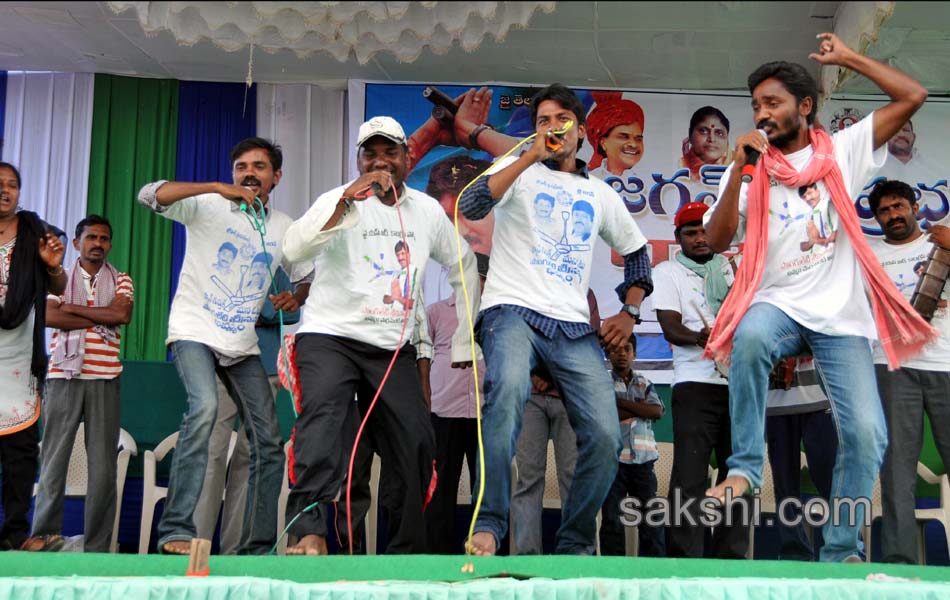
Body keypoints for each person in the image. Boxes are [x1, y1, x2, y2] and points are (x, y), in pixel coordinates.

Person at [702, 33, 934, 563]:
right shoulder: (750, 167)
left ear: (805, 107)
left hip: (841, 320)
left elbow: (912, 96)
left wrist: (849, 59)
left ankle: (840, 549)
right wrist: (738, 172)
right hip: (778, 305)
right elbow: (715, 243)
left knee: (868, 436)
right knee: (752, 334)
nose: (762, 113)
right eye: (756, 104)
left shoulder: (843, 151)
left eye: (773, 103)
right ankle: (742, 469)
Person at [458, 83, 653, 556]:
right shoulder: (518, 170)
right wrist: (526, 156)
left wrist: (629, 312)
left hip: (571, 327)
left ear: (582, 133)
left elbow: (639, 255)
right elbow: (471, 206)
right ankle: (489, 524)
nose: (551, 129)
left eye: (561, 120)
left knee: (607, 436)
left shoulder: (600, 193)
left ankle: (575, 544)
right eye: (542, 121)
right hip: (512, 310)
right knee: (505, 394)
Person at [280, 116, 478, 556]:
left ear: (407, 157)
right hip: (330, 335)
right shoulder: (338, 198)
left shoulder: (426, 211)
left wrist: (465, 338)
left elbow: (463, 262)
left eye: (390, 152)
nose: (380, 161)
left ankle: (406, 550)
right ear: (358, 160)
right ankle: (308, 531)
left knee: (417, 439)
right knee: (324, 420)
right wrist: (343, 205)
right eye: (370, 154)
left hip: (391, 348)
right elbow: (293, 251)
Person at [137, 137, 313, 555]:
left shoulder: (285, 227)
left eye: (258, 166)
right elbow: (149, 194)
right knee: (204, 409)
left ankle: (256, 546)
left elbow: (305, 273)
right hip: (193, 332)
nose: (248, 172)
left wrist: (298, 297)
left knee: (268, 442)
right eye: (241, 166)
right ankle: (177, 531)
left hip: (242, 346)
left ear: (276, 177)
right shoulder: (207, 205)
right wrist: (216, 188)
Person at [25, 216, 133, 553]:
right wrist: (95, 312)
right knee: (55, 459)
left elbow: (121, 316)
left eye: (104, 238)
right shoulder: (57, 277)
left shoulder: (122, 279)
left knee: (102, 469)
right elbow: (49, 317)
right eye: (91, 237)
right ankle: (44, 536)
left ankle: (98, 545)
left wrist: (72, 308)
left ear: (109, 244)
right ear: (76, 243)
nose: (97, 243)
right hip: (63, 376)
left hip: (104, 378)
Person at [653, 201, 747, 559]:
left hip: (738, 385)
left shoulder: (733, 269)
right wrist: (704, 337)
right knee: (689, 477)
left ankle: (732, 559)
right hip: (694, 385)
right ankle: (683, 559)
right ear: (679, 239)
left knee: (736, 473)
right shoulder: (668, 272)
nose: (700, 238)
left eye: (705, 230)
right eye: (690, 233)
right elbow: (670, 327)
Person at [867, 179, 950, 564]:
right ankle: (900, 564)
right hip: (892, 366)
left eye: (899, 206)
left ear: (916, 207)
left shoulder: (942, 243)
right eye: (884, 210)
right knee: (897, 471)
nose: (893, 215)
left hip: (945, 364)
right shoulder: (868, 255)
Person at [192, 267, 300, 555]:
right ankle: (196, 549)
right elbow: (225, 307)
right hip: (224, 363)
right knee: (212, 453)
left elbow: (292, 314)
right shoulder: (225, 261)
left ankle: (234, 553)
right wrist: (266, 304)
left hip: (264, 369)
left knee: (249, 457)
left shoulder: (274, 264)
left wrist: (258, 306)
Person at [0, 162, 66, 551]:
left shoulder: (33, 232)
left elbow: (55, 283)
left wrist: (52, 266)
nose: (5, 190)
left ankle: (11, 535)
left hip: (18, 360)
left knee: (19, 456)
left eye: (12, 185)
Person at [510, 289, 599, 556]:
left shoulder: (584, 292)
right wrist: (536, 370)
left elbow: (588, 338)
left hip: (570, 396)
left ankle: (577, 556)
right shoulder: (522, 287)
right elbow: (512, 337)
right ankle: (527, 558)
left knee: (574, 477)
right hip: (530, 397)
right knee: (528, 479)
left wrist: (551, 374)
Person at [425, 252, 489, 554]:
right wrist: (425, 403)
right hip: (444, 412)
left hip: (485, 415)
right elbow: (421, 359)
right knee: (442, 491)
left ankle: (485, 559)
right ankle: (439, 560)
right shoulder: (437, 312)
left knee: (485, 491)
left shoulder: (495, 315)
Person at [599, 332, 665, 557]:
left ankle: (653, 571)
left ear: (634, 353)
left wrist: (620, 403)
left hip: (643, 463)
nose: (622, 354)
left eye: (627, 349)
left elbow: (656, 411)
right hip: (613, 462)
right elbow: (606, 414)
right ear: (608, 353)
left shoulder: (644, 383)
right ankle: (613, 571)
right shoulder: (602, 382)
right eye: (616, 349)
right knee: (612, 519)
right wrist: (639, 408)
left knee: (650, 519)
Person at [765, 358, 837, 561]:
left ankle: (843, 548)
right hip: (776, 401)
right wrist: (770, 361)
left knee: (829, 478)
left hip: (820, 398)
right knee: (784, 483)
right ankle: (794, 552)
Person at [585, 96, 646, 179]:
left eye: (638, 139)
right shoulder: (590, 180)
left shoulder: (649, 180)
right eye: (624, 137)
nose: (633, 144)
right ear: (603, 142)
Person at [680, 106, 732, 181]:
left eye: (719, 133)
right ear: (690, 136)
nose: (712, 139)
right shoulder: (681, 166)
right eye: (703, 131)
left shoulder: (738, 166)